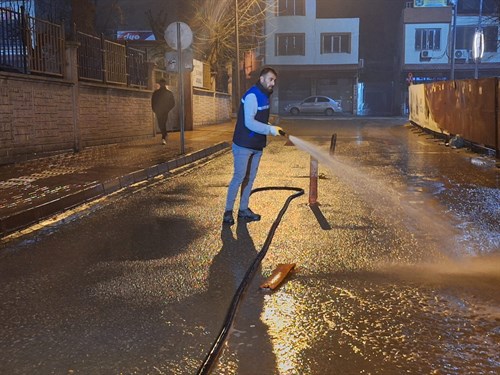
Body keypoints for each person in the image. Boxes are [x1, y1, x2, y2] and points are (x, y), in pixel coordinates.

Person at [223, 67, 283, 225]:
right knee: (239, 177)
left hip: (256, 145)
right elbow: (249, 122)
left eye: (274, 80)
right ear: (262, 79)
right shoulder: (252, 95)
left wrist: (271, 127)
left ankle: (243, 210)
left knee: (250, 178)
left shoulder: (264, 95)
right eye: (270, 79)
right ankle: (228, 212)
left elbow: (260, 120)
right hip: (243, 143)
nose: (273, 83)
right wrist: (270, 129)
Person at [151, 78, 175, 145]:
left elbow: (173, 103)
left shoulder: (169, 93)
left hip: (164, 111)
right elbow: (153, 101)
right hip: (158, 111)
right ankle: (165, 134)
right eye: (160, 83)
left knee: (163, 123)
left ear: (164, 84)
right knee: (160, 124)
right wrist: (154, 109)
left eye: (163, 83)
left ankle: (163, 137)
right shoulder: (156, 93)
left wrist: (167, 109)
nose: (162, 84)